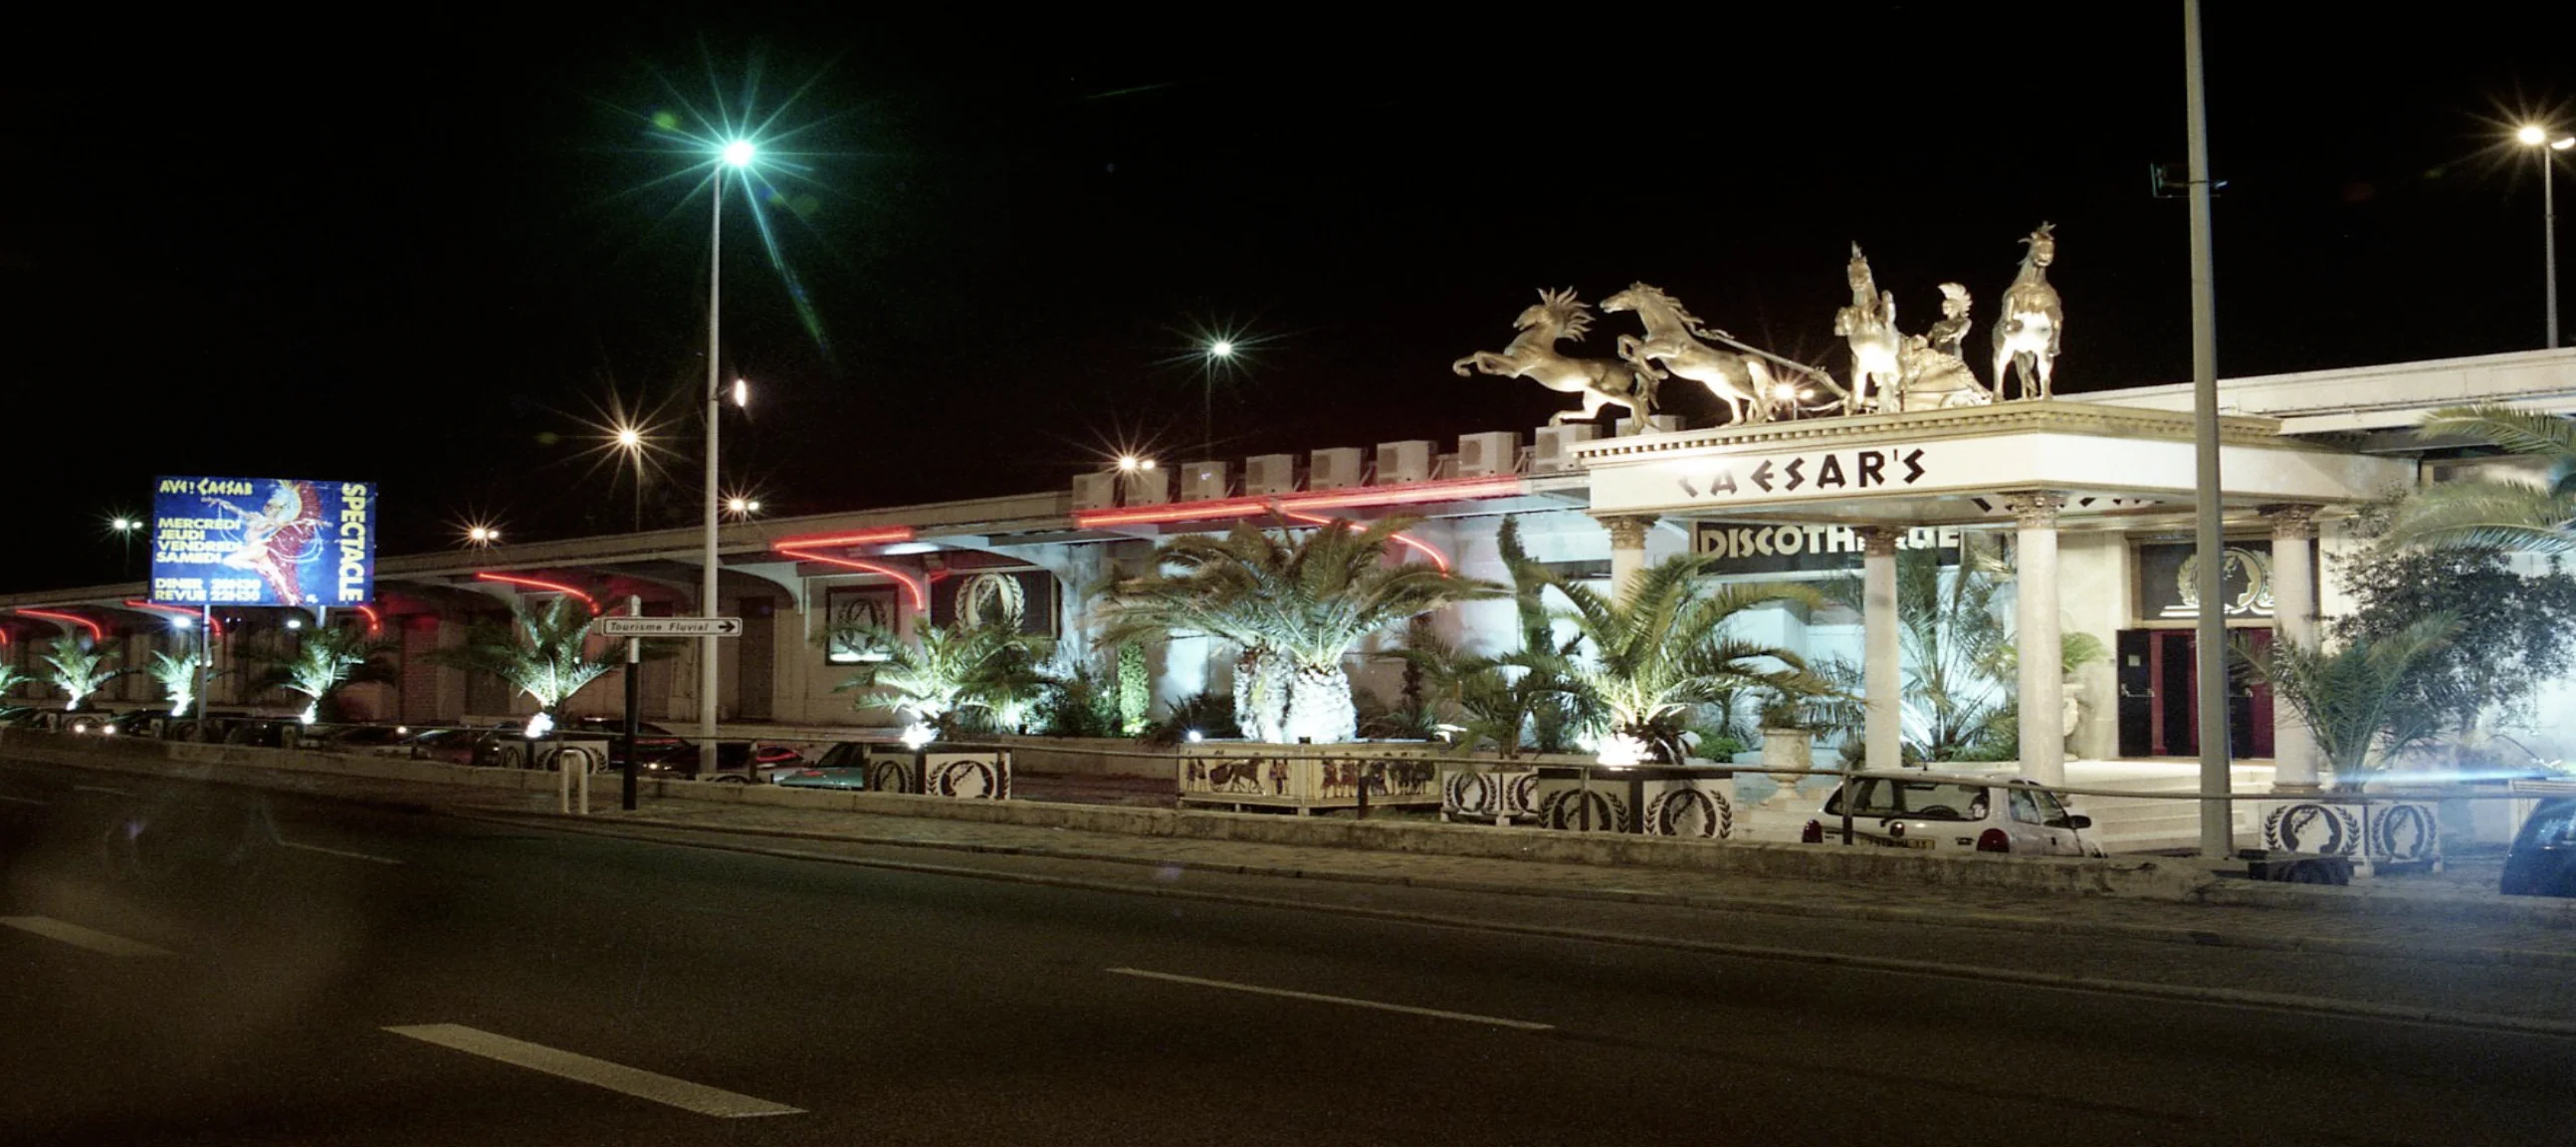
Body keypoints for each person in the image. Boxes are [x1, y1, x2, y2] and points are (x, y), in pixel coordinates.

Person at [205, 481, 322, 605]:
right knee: (276, 575)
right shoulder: (255, 516)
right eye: (268, 506)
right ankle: (291, 598)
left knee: (229, 560)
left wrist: (312, 521)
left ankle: (260, 568)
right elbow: (238, 511)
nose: (268, 509)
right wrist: (221, 502)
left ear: (277, 510)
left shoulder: (272, 522)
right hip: (256, 549)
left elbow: (293, 522)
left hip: (258, 547)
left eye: (272, 507)